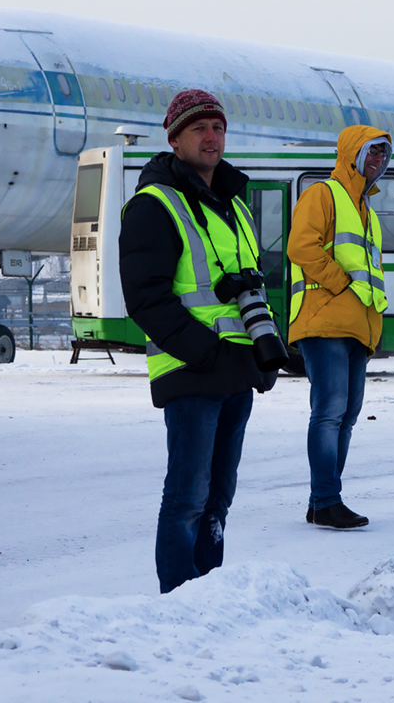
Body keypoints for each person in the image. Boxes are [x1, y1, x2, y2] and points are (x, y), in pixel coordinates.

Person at [118, 89, 278, 593]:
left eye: (218, 128)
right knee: (188, 495)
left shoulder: (232, 202)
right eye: (198, 129)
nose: (211, 137)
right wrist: (205, 352)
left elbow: (249, 284)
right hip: (191, 371)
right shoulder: (154, 205)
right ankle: (178, 601)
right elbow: (147, 299)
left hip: (236, 370)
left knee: (218, 498)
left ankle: (210, 595)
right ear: (175, 139)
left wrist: (266, 350)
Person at [287, 125, 392, 529]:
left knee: (346, 415)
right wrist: (341, 283)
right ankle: (328, 500)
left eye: (384, 155)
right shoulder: (322, 194)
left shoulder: (366, 210)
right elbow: (301, 246)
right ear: (353, 154)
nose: (379, 161)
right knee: (330, 412)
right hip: (324, 321)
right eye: (373, 152)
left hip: (357, 327)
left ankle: (322, 501)